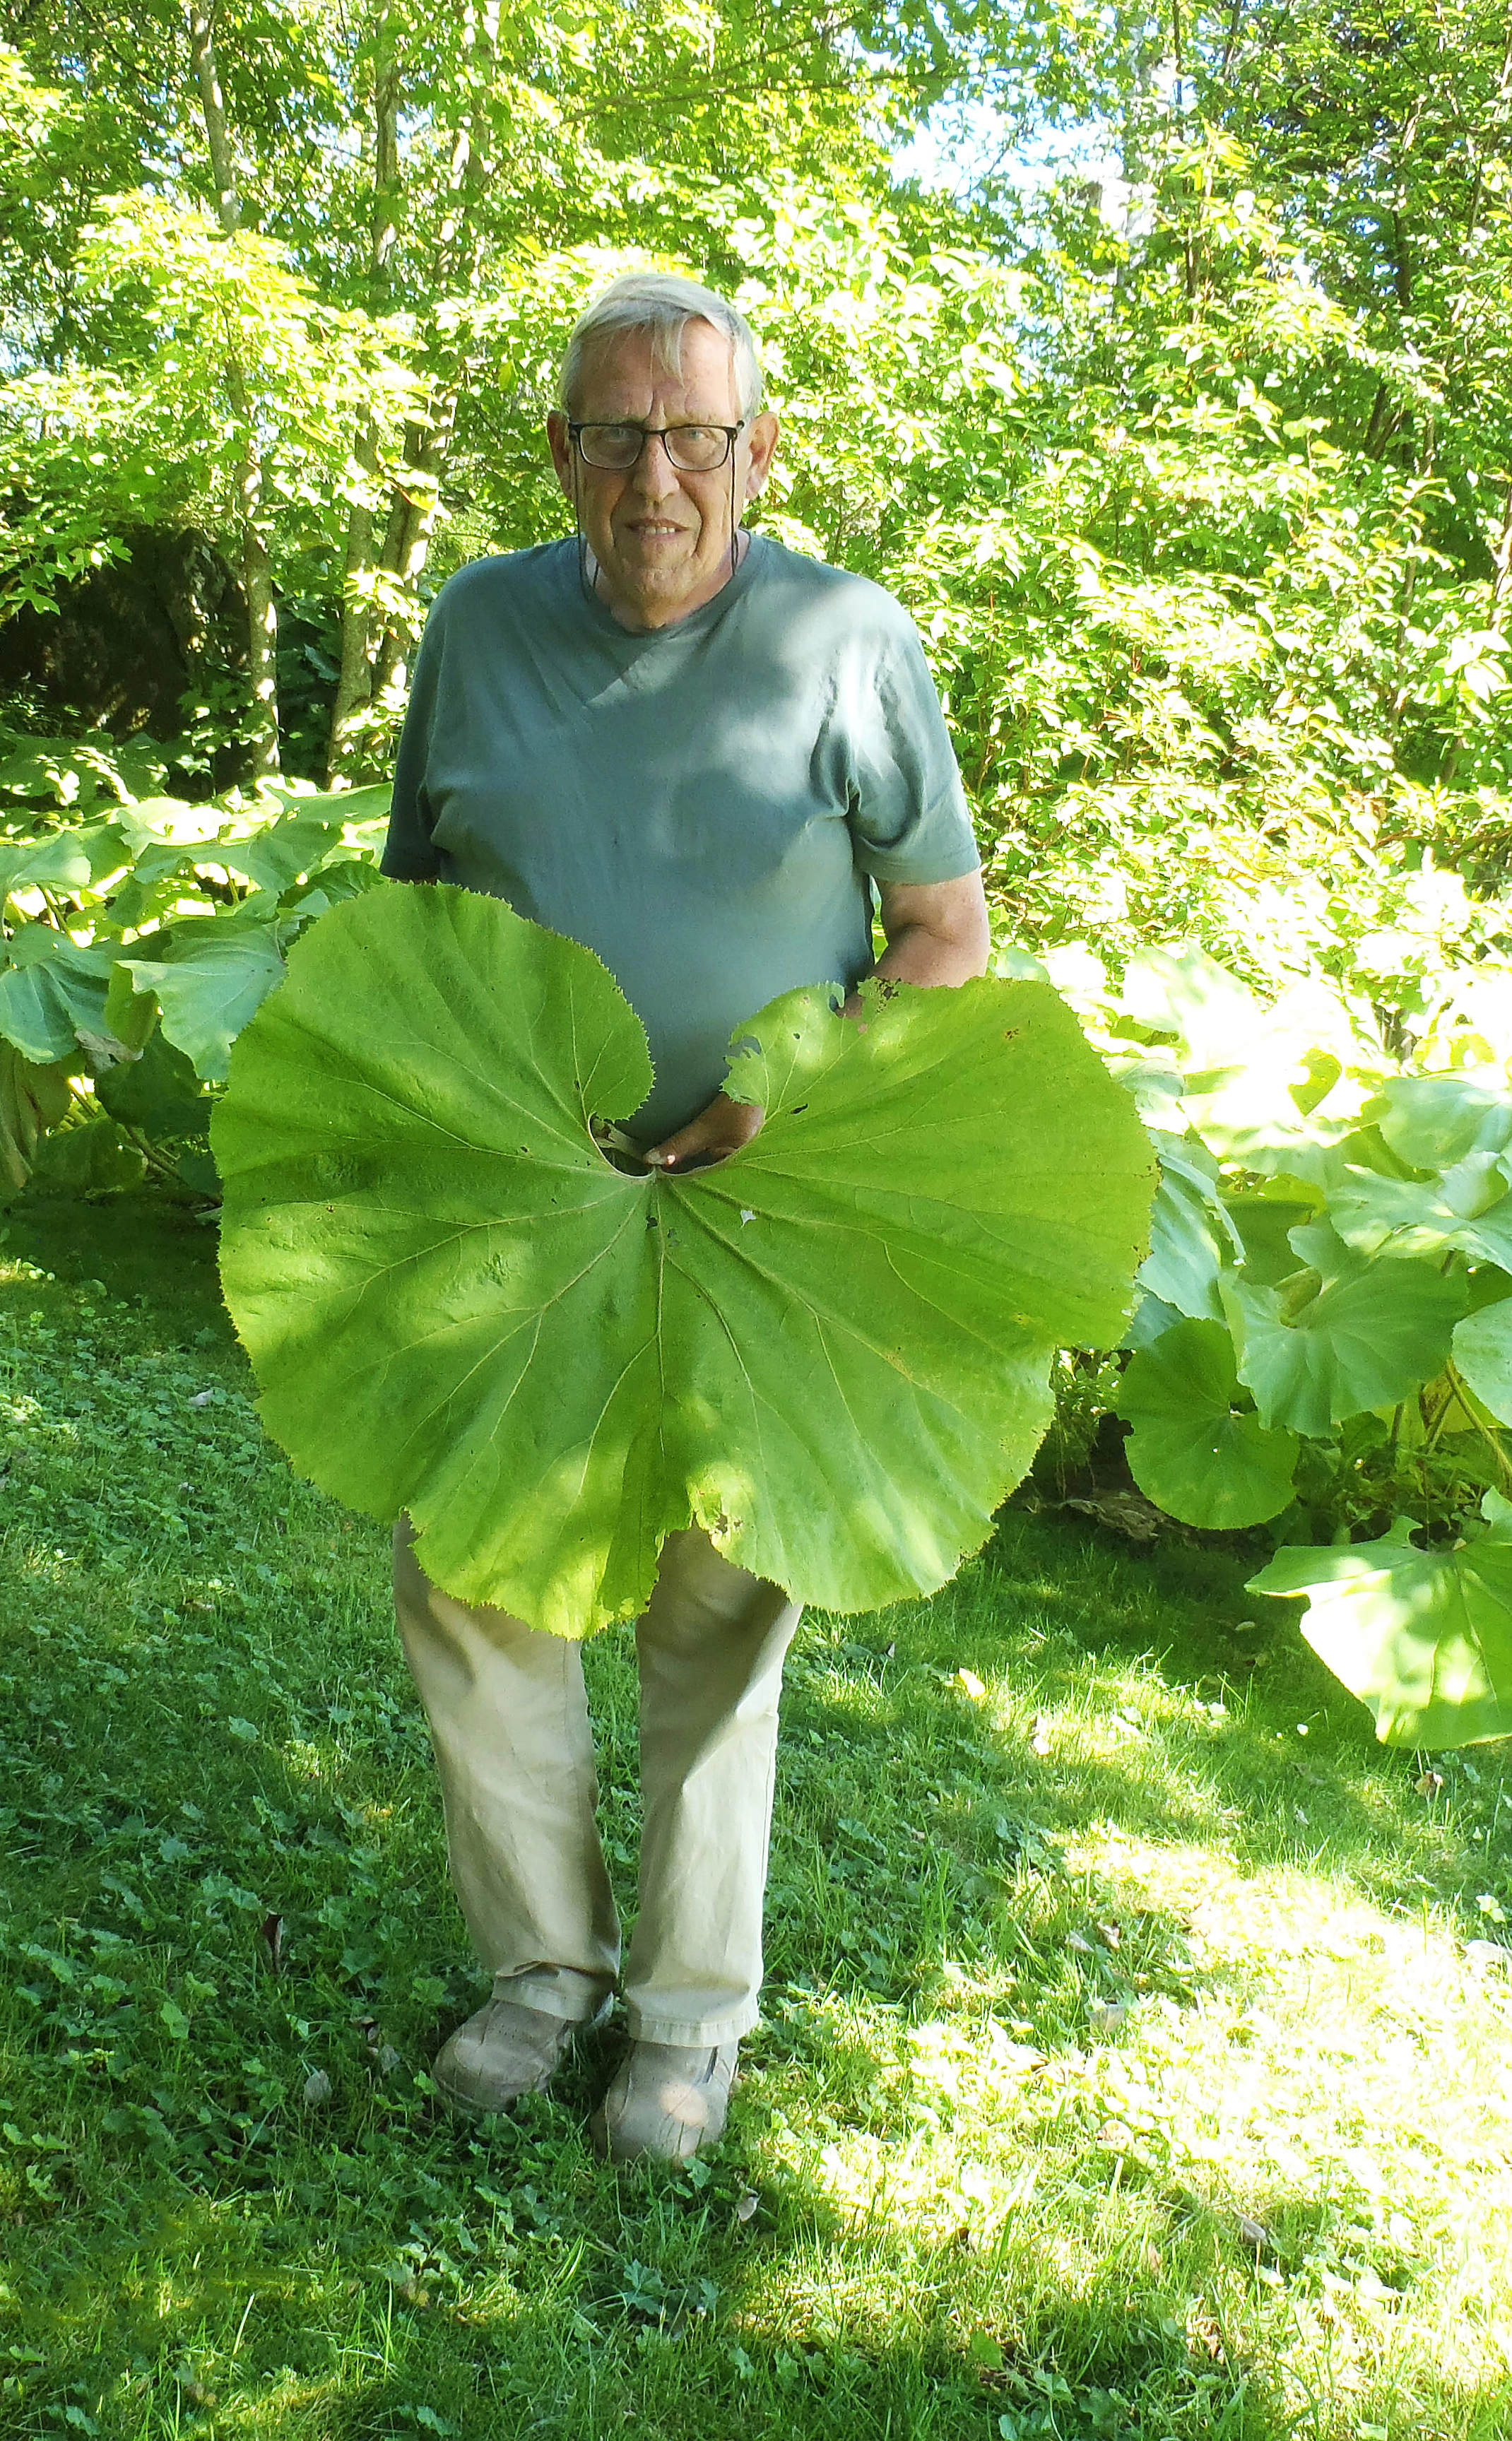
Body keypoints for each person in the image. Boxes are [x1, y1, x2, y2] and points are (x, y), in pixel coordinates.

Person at [380, 270, 991, 2161]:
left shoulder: (843, 637)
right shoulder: (476, 630)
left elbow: (942, 936)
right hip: (525, 1206)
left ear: (759, 451)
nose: (660, 478)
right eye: (620, 434)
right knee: (481, 1574)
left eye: (697, 436)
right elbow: (424, 918)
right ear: (560, 452)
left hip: (753, 1207)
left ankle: (686, 2023)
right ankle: (540, 1974)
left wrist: (772, 1102)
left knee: (719, 1603)